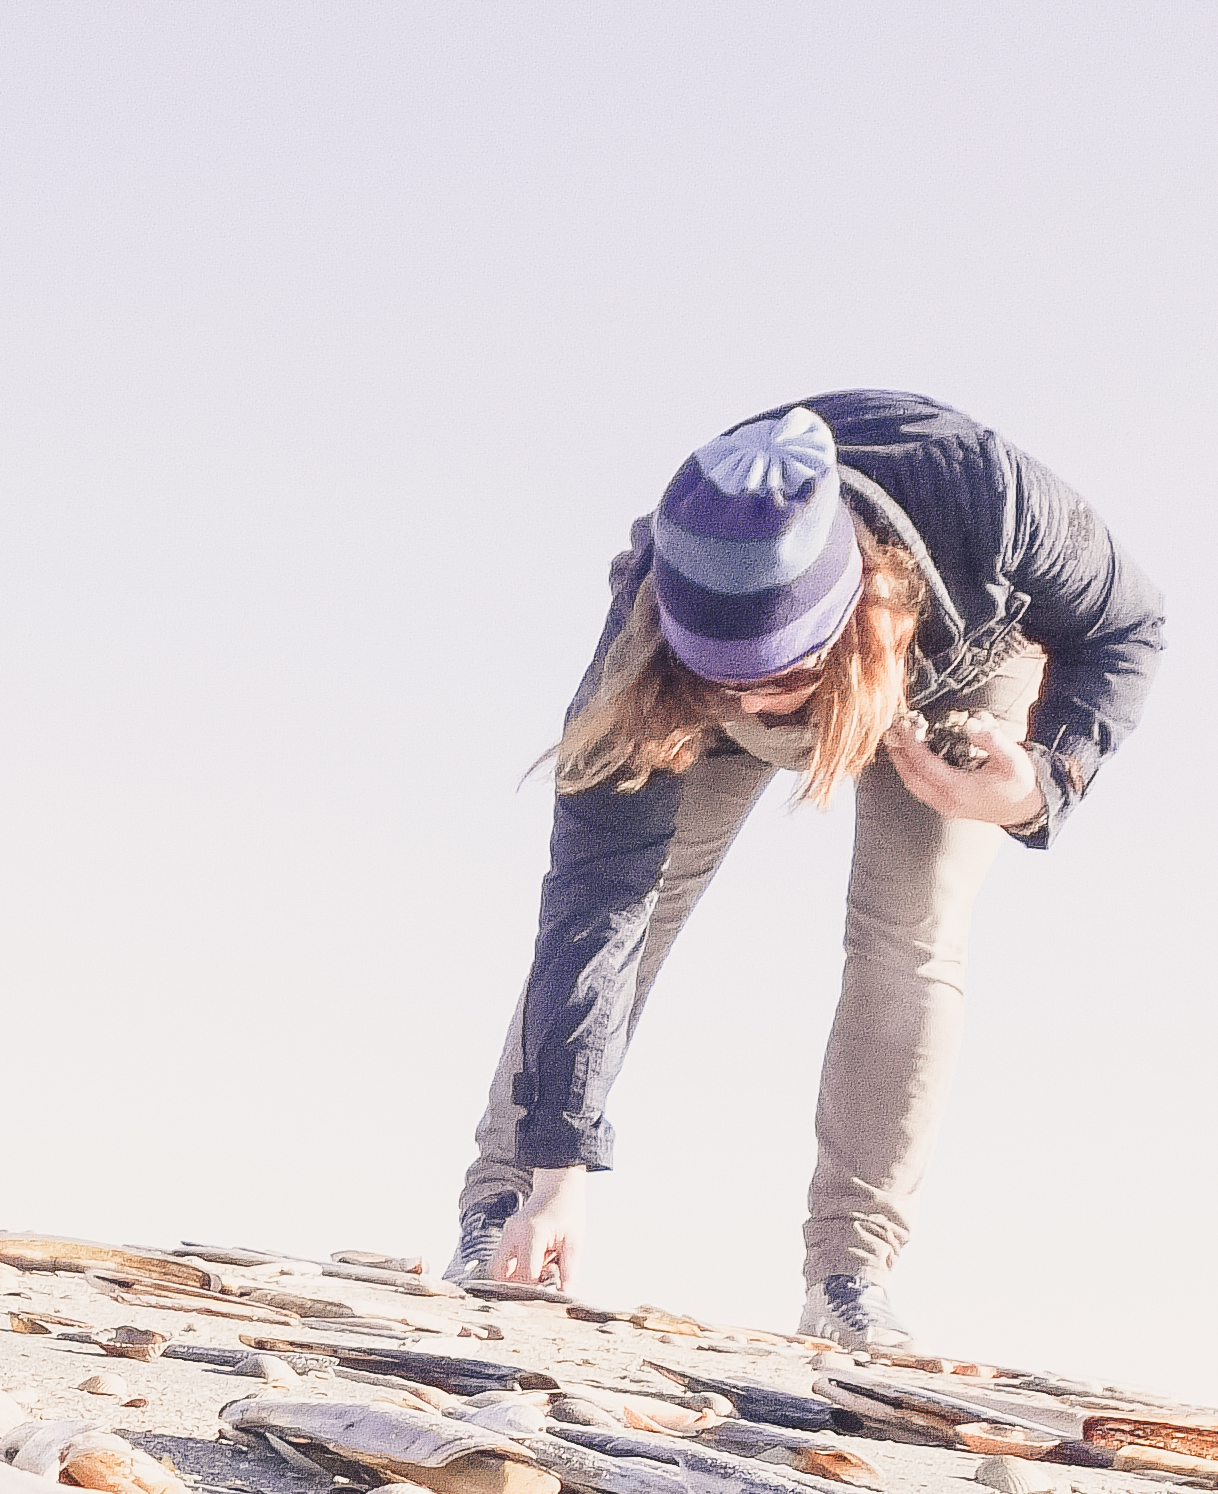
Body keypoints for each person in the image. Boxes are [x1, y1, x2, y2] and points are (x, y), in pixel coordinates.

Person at [453, 390, 1165, 1349]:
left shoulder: (989, 500)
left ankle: (850, 1275)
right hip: (692, 690)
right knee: (635, 917)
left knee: (911, 937)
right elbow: (592, 919)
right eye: (730, 682)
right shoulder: (651, 643)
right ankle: (499, 1210)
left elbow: (1130, 628)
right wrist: (554, 1175)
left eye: (779, 680)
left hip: (953, 666)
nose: (761, 702)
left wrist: (1043, 781)